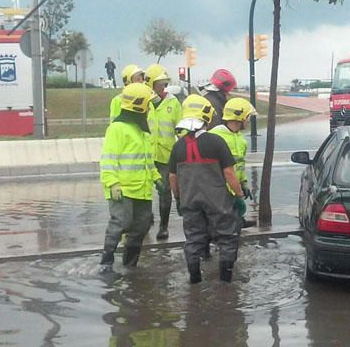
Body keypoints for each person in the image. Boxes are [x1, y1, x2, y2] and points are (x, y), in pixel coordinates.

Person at [169, 94, 244, 284]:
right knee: (227, 238)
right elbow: (229, 173)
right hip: (218, 201)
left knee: (194, 240)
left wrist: (178, 199)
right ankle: (226, 281)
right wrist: (239, 195)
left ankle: (194, 280)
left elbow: (172, 177)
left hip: (189, 201)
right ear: (207, 117)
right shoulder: (216, 142)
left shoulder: (178, 147)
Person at [99, 83, 162, 271]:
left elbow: (146, 160)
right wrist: (112, 183)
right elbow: (108, 159)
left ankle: (130, 264)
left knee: (141, 227)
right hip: (122, 190)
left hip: (143, 190)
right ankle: (107, 261)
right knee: (120, 224)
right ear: (139, 106)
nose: (150, 108)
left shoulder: (141, 131)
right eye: (148, 104)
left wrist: (156, 177)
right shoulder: (117, 128)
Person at [145, 64, 183, 240]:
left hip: (166, 155)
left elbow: (180, 127)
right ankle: (145, 220)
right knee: (144, 190)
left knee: (164, 191)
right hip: (146, 155)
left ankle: (163, 226)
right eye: (160, 83)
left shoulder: (173, 102)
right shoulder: (144, 102)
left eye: (165, 83)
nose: (163, 86)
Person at [209, 97, 258, 228]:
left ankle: (238, 223)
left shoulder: (241, 140)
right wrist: (238, 193)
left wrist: (244, 183)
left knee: (232, 223)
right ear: (240, 117)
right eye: (247, 117)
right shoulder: (214, 136)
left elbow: (240, 166)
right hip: (219, 190)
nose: (248, 121)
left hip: (234, 189)